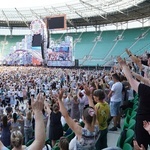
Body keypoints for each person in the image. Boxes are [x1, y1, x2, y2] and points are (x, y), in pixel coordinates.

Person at [117, 56, 150, 149]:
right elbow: (143, 79)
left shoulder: (145, 90)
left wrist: (123, 65)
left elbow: (130, 79)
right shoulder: (146, 87)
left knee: (141, 146)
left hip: (143, 123)